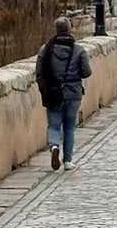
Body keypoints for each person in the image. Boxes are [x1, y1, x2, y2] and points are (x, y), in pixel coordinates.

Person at [35, 15, 92, 170]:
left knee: (53, 125)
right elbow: (87, 72)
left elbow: (39, 72)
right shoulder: (79, 50)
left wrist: (43, 90)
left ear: (56, 30)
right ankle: (67, 161)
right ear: (69, 29)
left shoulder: (45, 49)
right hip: (73, 93)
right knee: (69, 127)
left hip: (53, 93)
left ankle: (54, 146)